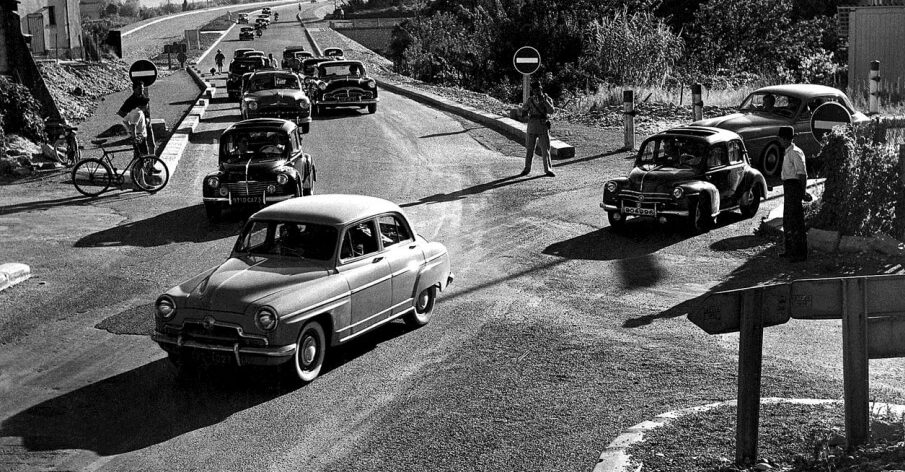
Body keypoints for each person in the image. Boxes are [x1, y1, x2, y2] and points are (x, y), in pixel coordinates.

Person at [778, 126, 810, 262]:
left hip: (794, 187)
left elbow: (802, 174)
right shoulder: (787, 152)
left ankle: (799, 253)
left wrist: (802, 192)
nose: (779, 141)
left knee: (796, 221)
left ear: (786, 139)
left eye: (780, 138)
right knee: (788, 220)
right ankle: (790, 250)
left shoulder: (795, 153)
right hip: (788, 186)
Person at [520, 79, 555, 177]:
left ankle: (548, 169)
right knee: (529, 149)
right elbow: (524, 111)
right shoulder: (530, 100)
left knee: (545, 149)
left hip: (543, 125)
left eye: (538, 89)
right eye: (535, 90)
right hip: (532, 126)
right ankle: (527, 169)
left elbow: (551, 111)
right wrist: (525, 113)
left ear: (541, 89)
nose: (537, 92)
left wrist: (544, 101)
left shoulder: (547, 99)